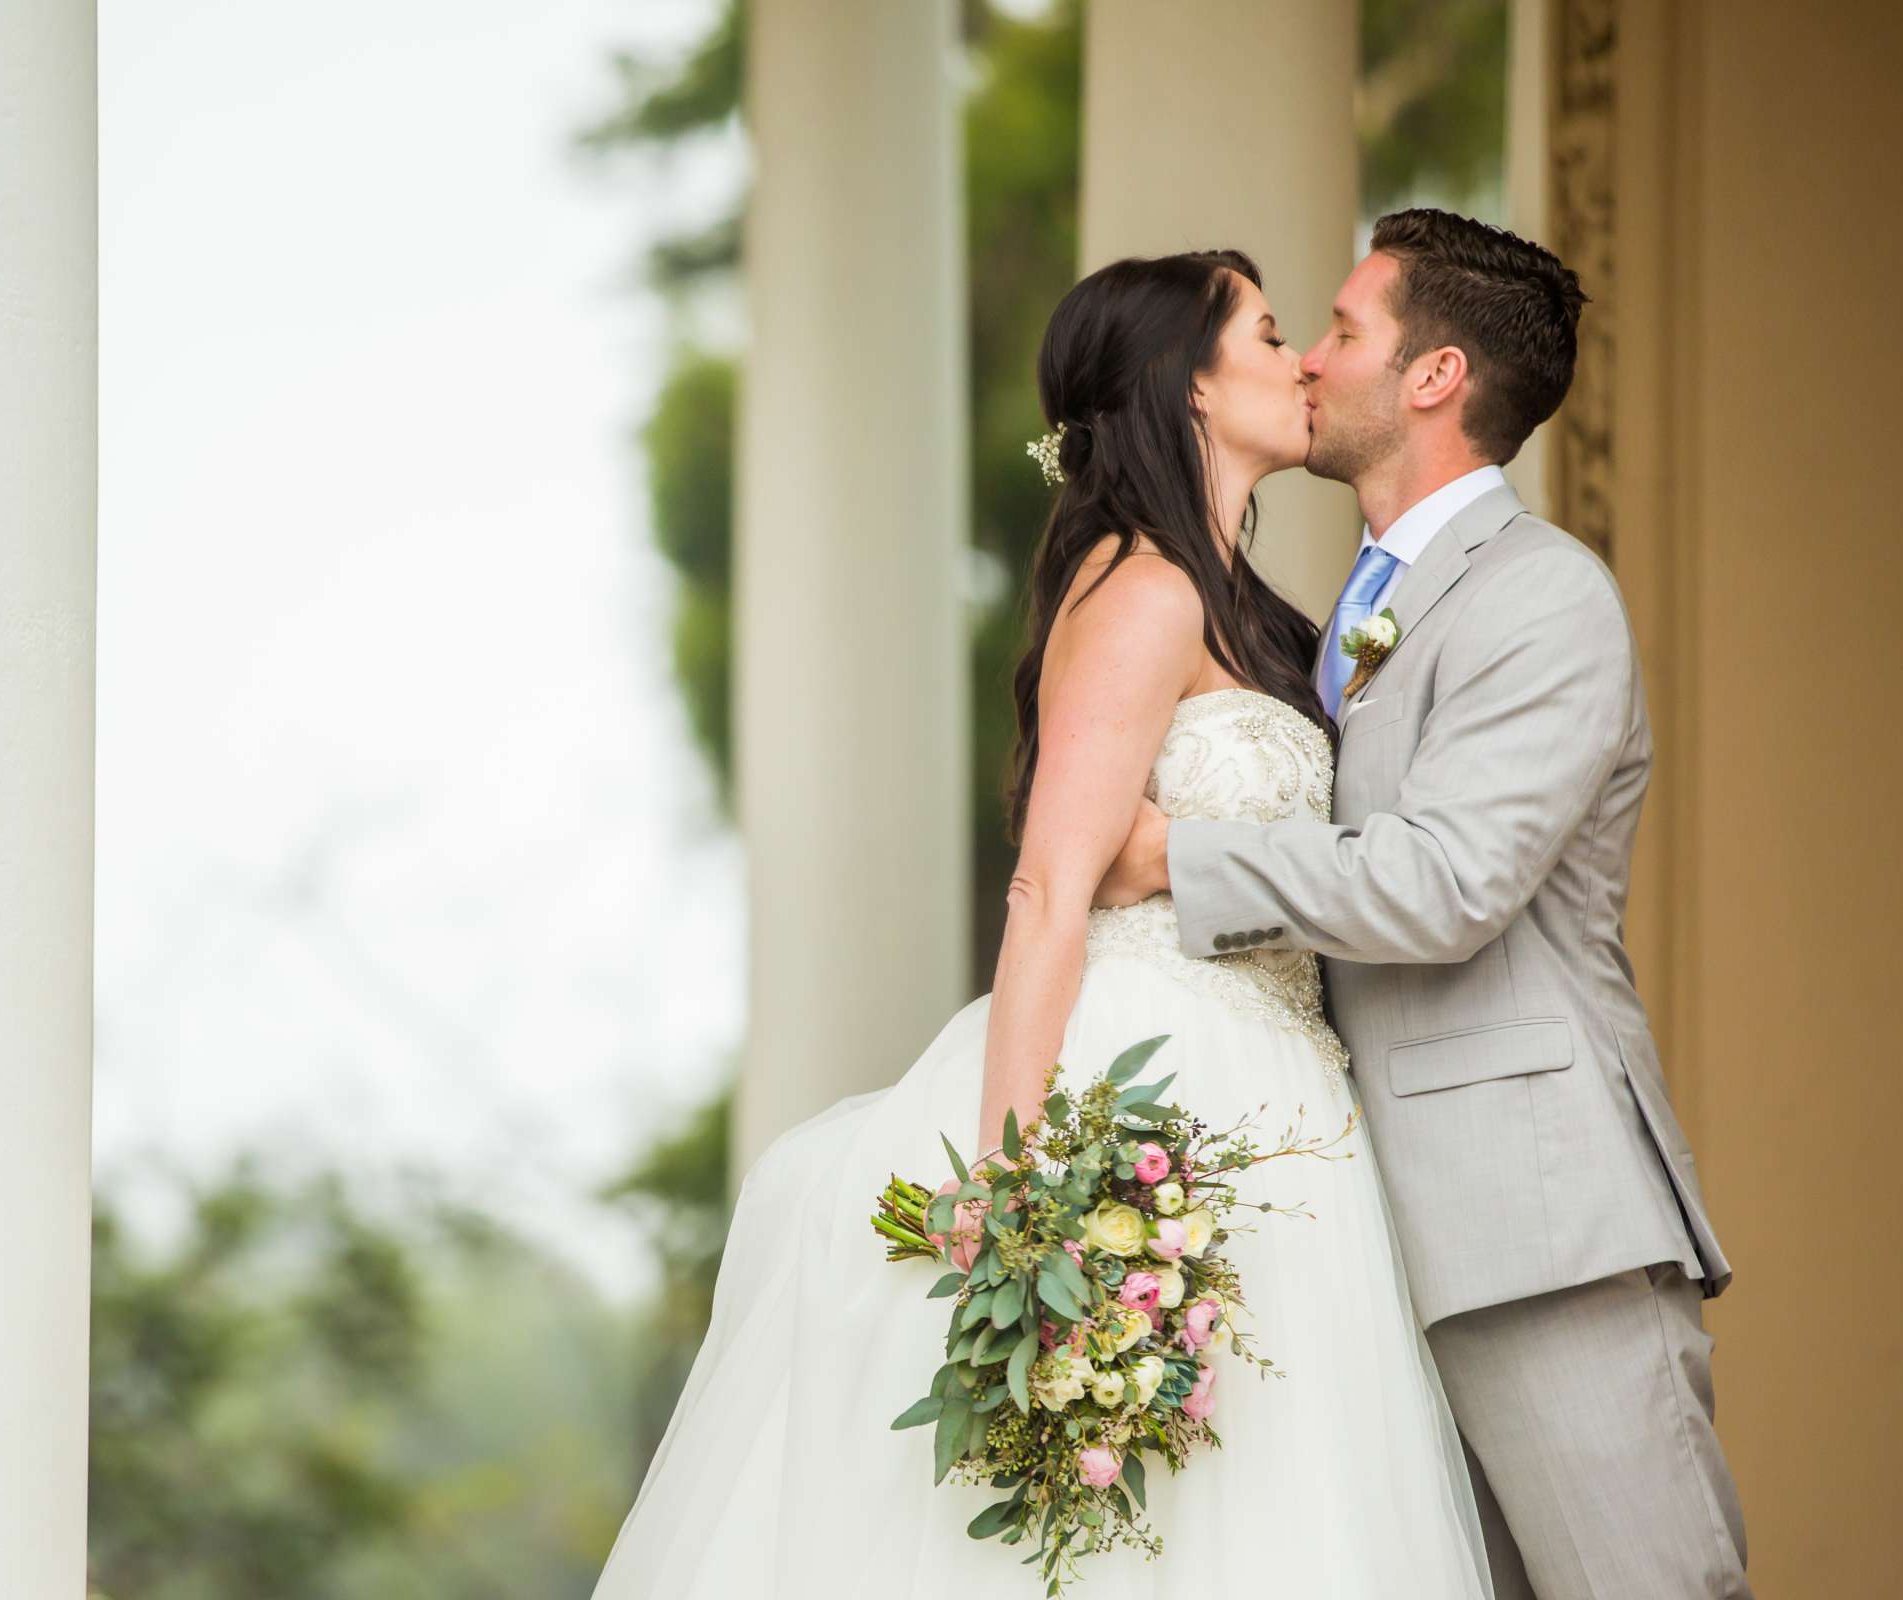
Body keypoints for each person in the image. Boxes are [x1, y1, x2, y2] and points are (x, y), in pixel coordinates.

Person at [594, 248, 1491, 1597]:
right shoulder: (1143, 591)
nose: (1300, 356)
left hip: (1284, 1097)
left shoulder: (1247, 611)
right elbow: (1045, 889)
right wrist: (1019, 1199)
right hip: (1158, 1075)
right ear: (1185, 385)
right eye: (1264, 331)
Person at [1094, 209, 1749, 1599]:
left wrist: (1171, 860)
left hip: (1535, 1228)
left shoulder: (1541, 598)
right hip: (1377, 1241)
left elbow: (1448, 883)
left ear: (1436, 377)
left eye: (1343, 331)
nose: (1314, 364)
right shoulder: (1354, 607)